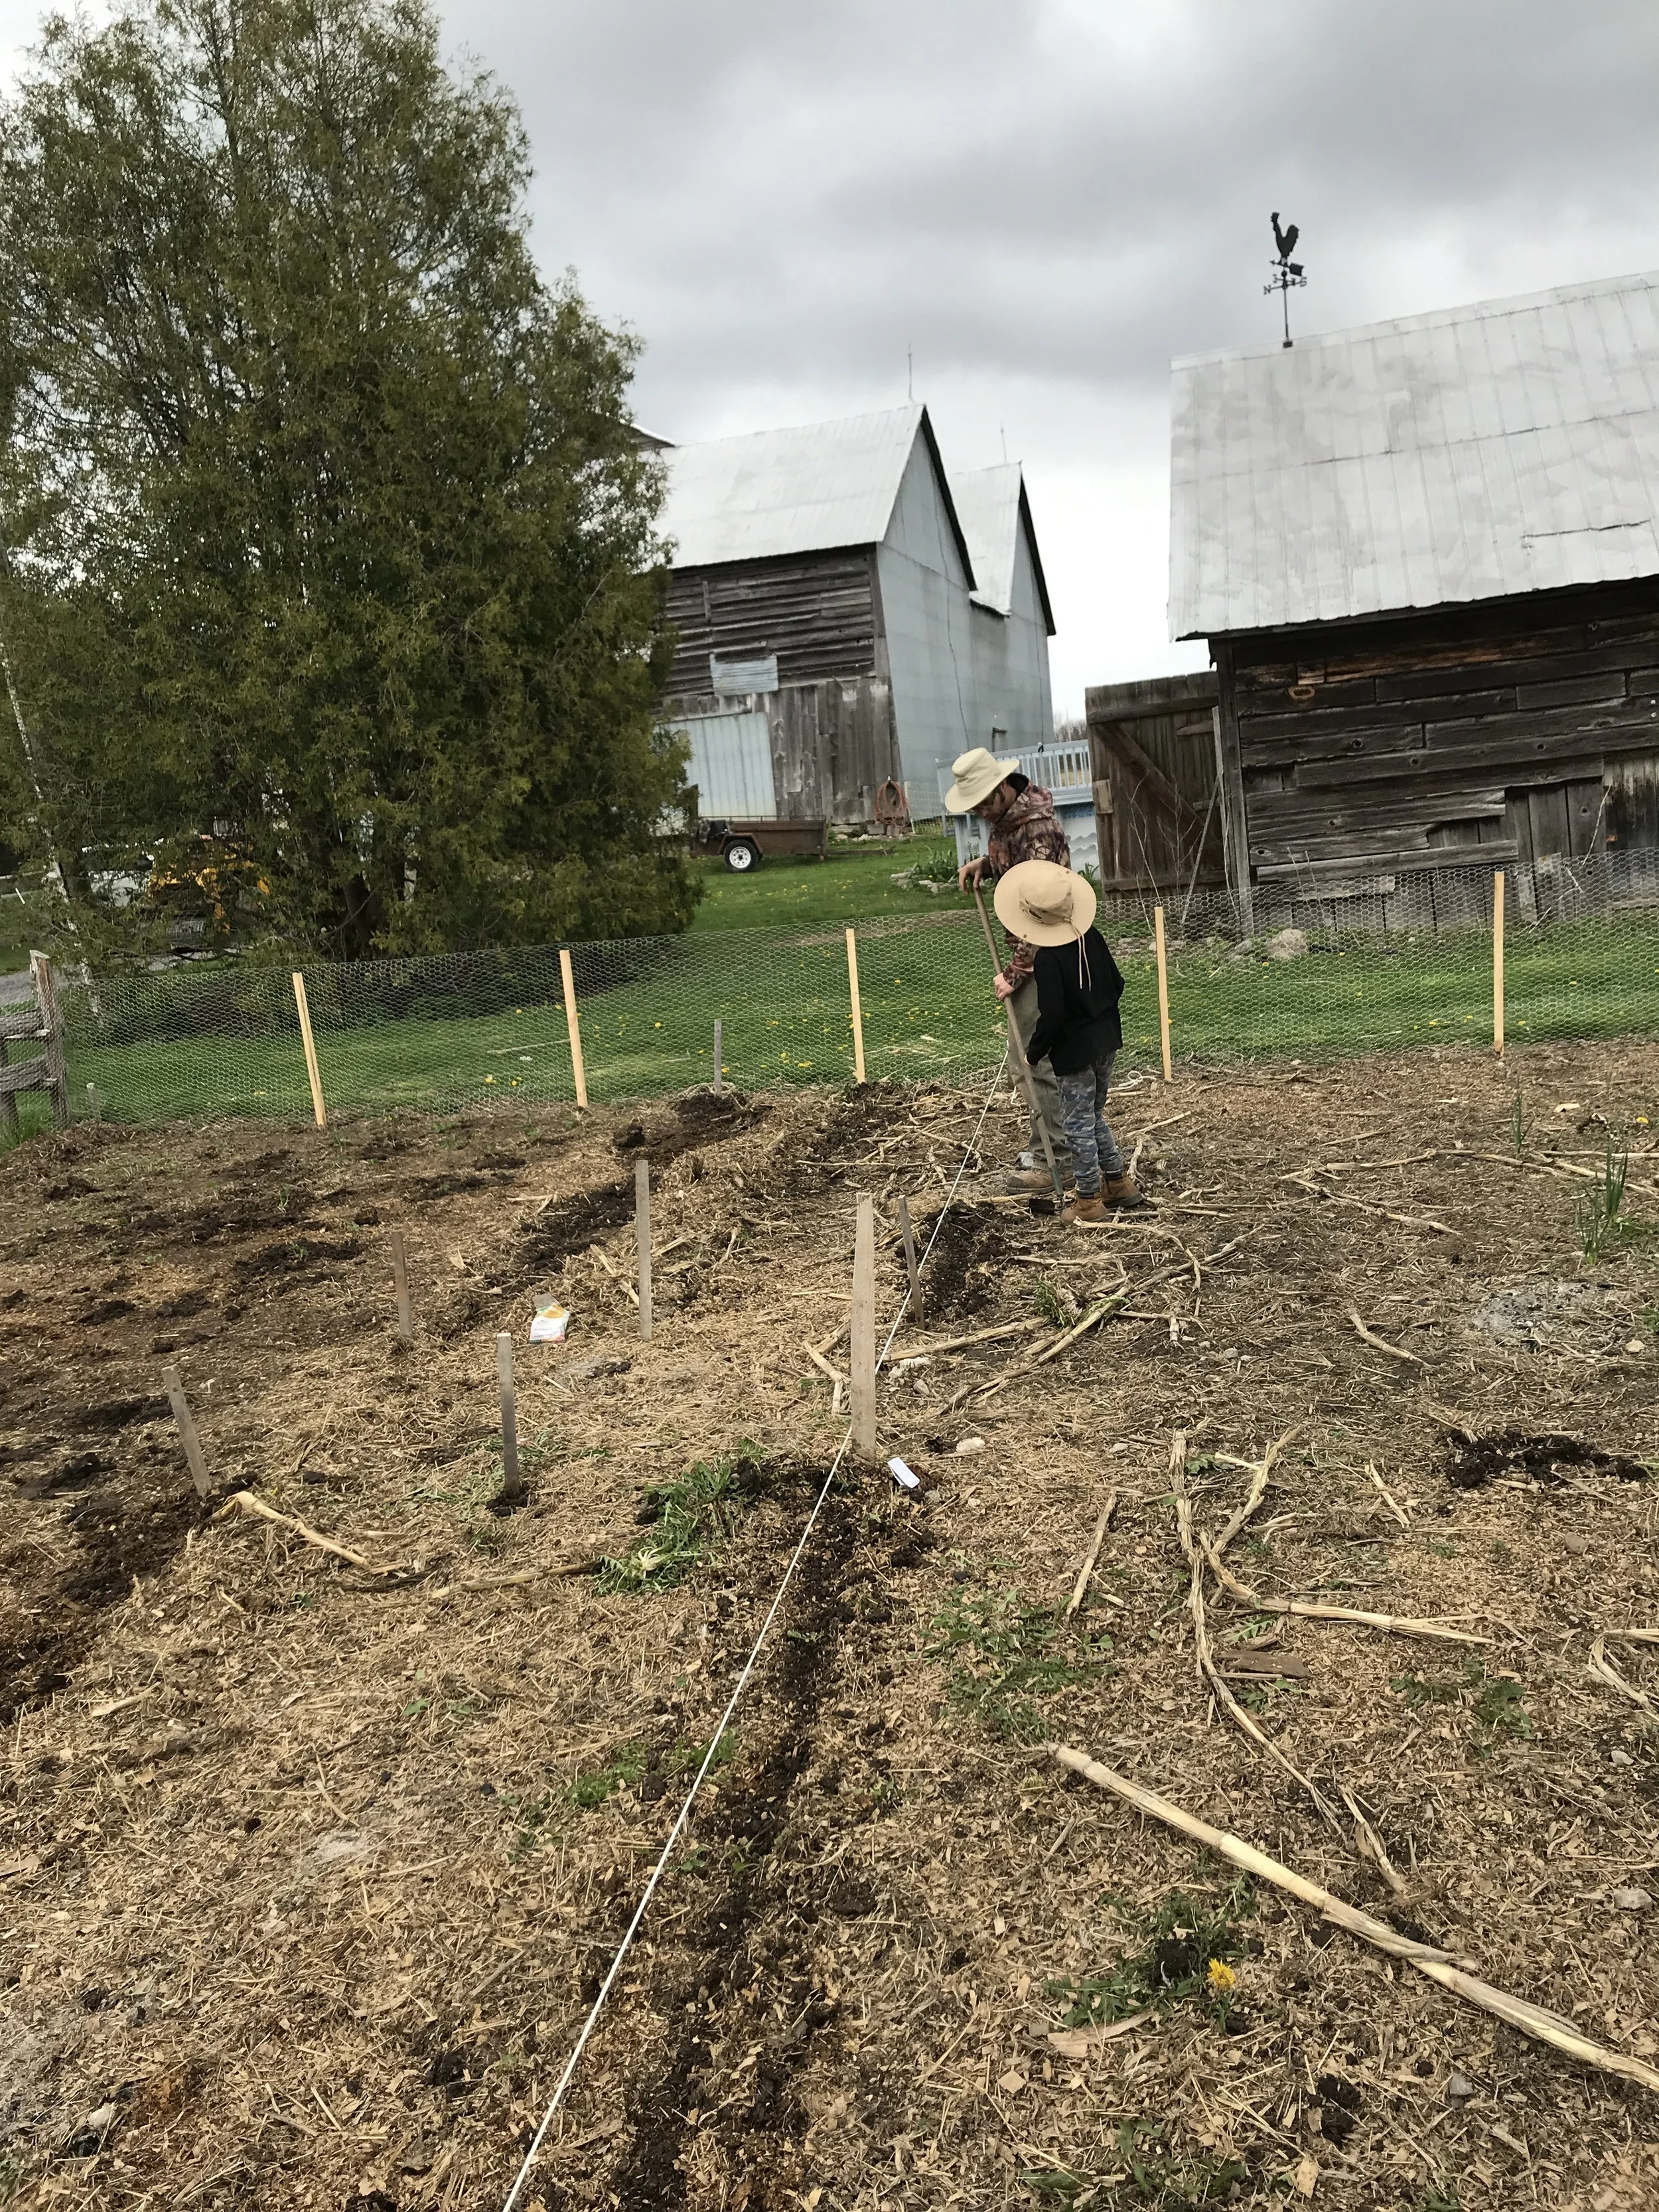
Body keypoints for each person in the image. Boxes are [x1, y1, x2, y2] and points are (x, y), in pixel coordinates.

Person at [944, 744, 1072, 1192]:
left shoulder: (1035, 831)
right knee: (1025, 1059)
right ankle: (1049, 1144)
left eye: (982, 802)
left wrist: (1014, 973)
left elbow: (1041, 910)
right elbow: (1018, 874)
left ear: (1002, 787)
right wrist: (989, 863)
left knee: (1033, 1058)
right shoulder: (1008, 822)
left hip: (1045, 957)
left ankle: (1055, 1159)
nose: (979, 812)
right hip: (1032, 954)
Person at [992, 857, 1143, 1224]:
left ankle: (1089, 1200)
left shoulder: (1048, 959)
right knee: (1093, 1116)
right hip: (1107, 1040)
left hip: (1074, 1052)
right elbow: (1118, 984)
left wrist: (1035, 1051)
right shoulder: (1092, 937)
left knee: (1077, 1125)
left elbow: (1053, 1015)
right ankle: (1119, 1182)